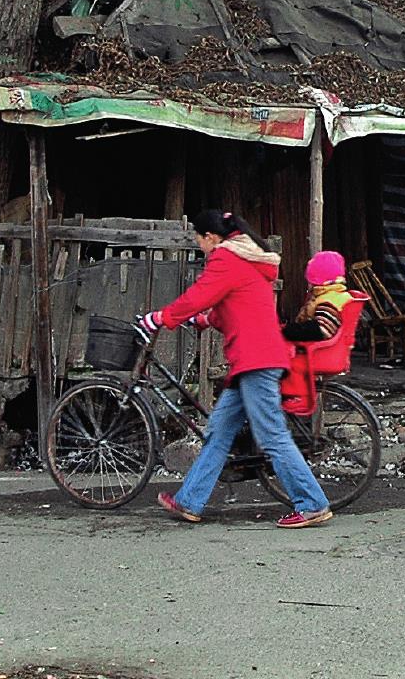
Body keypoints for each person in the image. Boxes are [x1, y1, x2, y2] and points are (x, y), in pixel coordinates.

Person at [142, 210, 333, 528]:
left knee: (272, 437)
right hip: (253, 359)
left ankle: (313, 503)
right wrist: (201, 320)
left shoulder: (226, 259)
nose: (200, 247)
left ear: (211, 237)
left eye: (199, 240)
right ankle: (189, 501)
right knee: (218, 433)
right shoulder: (246, 260)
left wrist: (162, 317)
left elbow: (201, 295)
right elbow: (233, 306)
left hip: (257, 360)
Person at [282, 250, 357, 343]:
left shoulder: (328, 300)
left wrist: (289, 331)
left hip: (320, 352)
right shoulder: (339, 294)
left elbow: (323, 330)